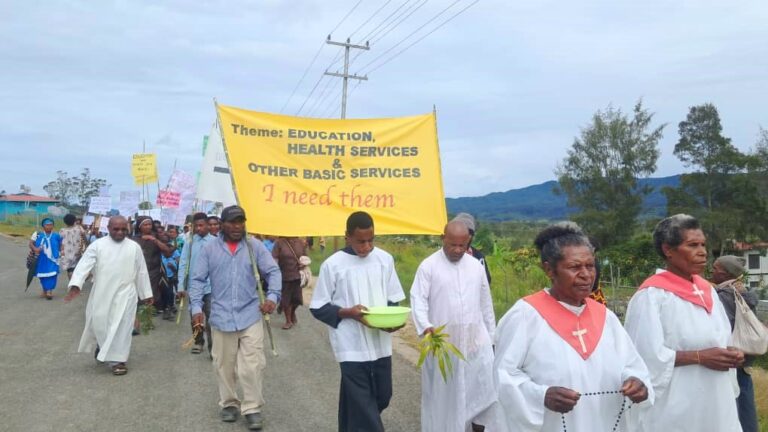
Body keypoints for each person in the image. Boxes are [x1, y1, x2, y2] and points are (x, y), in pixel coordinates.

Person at [494, 222, 651, 432]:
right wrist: (541, 395)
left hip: (604, 421)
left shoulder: (605, 316)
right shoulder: (525, 315)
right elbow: (503, 376)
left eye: (590, 265)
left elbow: (631, 364)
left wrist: (636, 381)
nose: (586, 275)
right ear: (549, 269)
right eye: (575, 267)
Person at [624, 214, 742, 431]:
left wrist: (732, 353)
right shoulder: (652, 296)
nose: (703, 252)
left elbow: (721, 338)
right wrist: (699, 357)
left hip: (716, 398)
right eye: (693, 245)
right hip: (677, 404)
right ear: (668, 250)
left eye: (704, 244)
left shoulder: (708, 291)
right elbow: (642, 357)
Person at [310, 211, 406, 432]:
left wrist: (392, 321)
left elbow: (393, 299)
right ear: (347, 237)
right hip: (350, 345)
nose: (367, 246)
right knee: (363, 405)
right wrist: (348, 313)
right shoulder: (333, 265)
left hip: (380, 344)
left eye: (371, 240)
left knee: (383, 396)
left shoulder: (384, 260)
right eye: (361, 241)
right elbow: (318, 307)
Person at [189, 205, 281, 430]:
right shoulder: (209, 249)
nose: (237, 226)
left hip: (250, 313)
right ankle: (229, 403)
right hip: (220, 316)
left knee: (252, 365)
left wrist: (272, 297)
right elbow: (197, 280)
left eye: (241, 221)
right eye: (232, 222)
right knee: (224, 365)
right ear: (222, 224)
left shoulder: (254, 246)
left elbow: (273, 272)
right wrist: (196, 308)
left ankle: (252, 408)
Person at [410, 220, 497, 432]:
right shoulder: (428, 266)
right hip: (443, 347)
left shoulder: (476, 267)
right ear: (443, 239)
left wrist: (493, 338)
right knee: (444, 400)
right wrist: (426, 326)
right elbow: (418, 300)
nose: (458, 250)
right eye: (452, 245)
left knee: (483, 393)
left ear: (469, 242)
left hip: (476, 344)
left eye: (463, 245)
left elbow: (486, 304)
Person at [64, 216, 153, 376]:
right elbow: (84, 265)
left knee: (123, 327)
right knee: (101, 324)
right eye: (116, 229)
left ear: (128, 229)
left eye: (123, 229)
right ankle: (102, 345)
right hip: (102, 292)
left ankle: (118, 361)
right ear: (108, 228)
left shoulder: (134, 247)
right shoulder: (97, 245)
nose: (120, 232)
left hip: (127, 294)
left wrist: (146, 293)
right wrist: (76, 284)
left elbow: (141, 271)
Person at [712, 255, 758, 432]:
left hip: (730, 359)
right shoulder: (743, 292)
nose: (712, 271)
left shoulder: (723, 296)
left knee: (731, 408)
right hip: (745, 360)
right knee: (746, 408)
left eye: (715, 268)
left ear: (724, 273)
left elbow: (723, 327)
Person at [177, 212, 214, 355]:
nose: (199, 229)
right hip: (194, 286)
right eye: (196, 226)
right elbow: (183, 263)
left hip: (211, 287)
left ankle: (213, 347)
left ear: (207, 226)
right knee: (195, 316)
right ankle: (198, 341)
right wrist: (181, 285)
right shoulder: (189, 242)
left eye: (201, 225)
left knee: (212, 319)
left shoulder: (215, 242)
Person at [134, 216, 171, 316]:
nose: (148, 227)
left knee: (151, 294)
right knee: (139, 295)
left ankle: (148, 316)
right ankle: (139, 318)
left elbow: (168, 252)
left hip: (154, 272)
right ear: (139, 227)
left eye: (149, 224)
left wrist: (154, 240)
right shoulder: (134, 239)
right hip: (138, 272)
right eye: (145, 225)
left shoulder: (157, 237)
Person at [272, 236, 307, 330]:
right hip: (284, 276)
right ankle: (288, 320)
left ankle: (292, 313)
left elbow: (305, 257)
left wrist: (304, 263)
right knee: (286, 299)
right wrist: (274, 271)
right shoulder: (279, 243)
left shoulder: (300, 242)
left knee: (297, 299)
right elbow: (274, 258)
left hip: (298, 275)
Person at [451, 213, 492, 285]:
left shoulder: (478, 256)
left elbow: (486, 281)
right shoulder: (444, 256)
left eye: (469, 232)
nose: (464, 235)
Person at [29, 218, 62, 299]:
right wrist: (35, 249)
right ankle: (45, 290)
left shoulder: (56, 235)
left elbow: (61, 245)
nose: (49, 226)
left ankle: (49, 291)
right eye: (47, 225)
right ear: (43, 226)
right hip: (41, 259)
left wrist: (62, 252)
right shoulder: (37, 234)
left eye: (51, 225)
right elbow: (31, 243)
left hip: (53, 260)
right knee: (42, 275)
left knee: (52, 274)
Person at [160, 232, 180, 320]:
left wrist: (173, 268)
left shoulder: (171, 260)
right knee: (165, 294)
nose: (169, 253)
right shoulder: (160, 257)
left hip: (171, 278)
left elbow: (176, 270)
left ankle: (170, 307)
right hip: (162, 279)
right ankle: (166, 310)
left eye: (170, 253)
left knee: (170, 293)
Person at [59, 214, 85, 281]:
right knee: (78, 267)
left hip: (67, 253)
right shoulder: (79, 228)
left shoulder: (62, 230)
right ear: (74, 221)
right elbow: (84, 235)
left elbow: (60, 241)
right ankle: (78, 281)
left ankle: (71, 285)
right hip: (77, 251)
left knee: (70, 269)